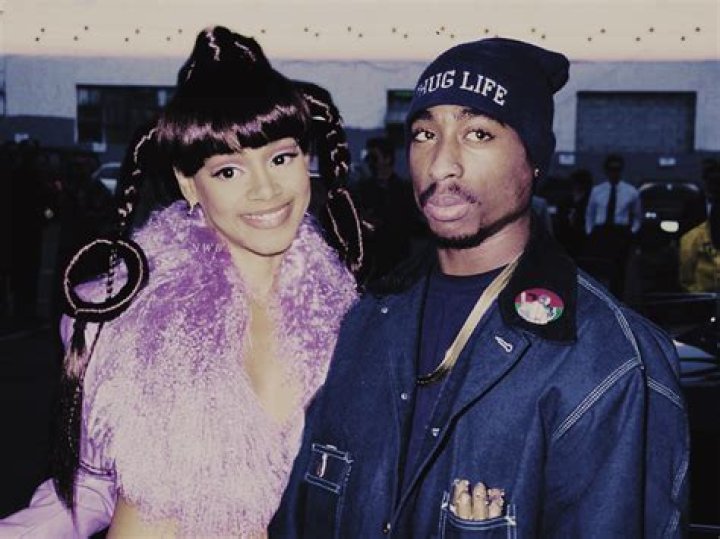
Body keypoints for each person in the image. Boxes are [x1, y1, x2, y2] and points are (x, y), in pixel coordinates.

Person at [271, 37, 688, 538]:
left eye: (478, 134)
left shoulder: (608, 361)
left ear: (534, 159)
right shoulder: (364, 323)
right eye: (425, 134)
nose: (440, 164)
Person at [0, 26, 361, 538]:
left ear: (308, 161)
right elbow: (92, 485)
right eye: (229, 171)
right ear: (190, 183)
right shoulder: (121, 314)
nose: (266, 190)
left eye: (281, 158)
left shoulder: (355, 318)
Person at [352, 136, 425, 283]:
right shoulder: (362, 190)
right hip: (371, 264)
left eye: (374, 158)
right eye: (369, 158)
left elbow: (414, 224)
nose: (370, 162)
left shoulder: (405, 191)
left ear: (387, 159)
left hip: (398, 263)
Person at [584, 153, 642, 297]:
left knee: (619, 268)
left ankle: (617, 297)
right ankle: (601, 297)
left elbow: (637, 215)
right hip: (601, 231)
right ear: (606, 171)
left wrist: (632, 231)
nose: (614, 173)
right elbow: (589, 213)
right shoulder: (597, 191)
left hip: (620, 232)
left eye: (617, 170)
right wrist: (590, 231)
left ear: (621, 170)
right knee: (600, 268)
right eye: (611, 170)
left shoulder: (631, 192)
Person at [678, 161, 719, 292]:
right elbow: (684, 229)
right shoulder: (693, 204)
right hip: (697, 257)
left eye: (717, 181)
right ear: (705, 181)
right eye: (711, 181)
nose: (714, 185)